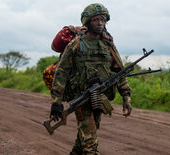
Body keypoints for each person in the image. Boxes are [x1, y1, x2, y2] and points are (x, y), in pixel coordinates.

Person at [49, 3, 132, 154]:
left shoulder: (108, 45)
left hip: (100, 98)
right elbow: (61, 73)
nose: (101, 23)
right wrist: (56, 103)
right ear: (88, 21)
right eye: (96, 20)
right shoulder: (76, 44)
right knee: (90, 144)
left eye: (103, 20)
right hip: (82, 98)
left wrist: (126, 97)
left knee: (84, 140)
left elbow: (120, 72)